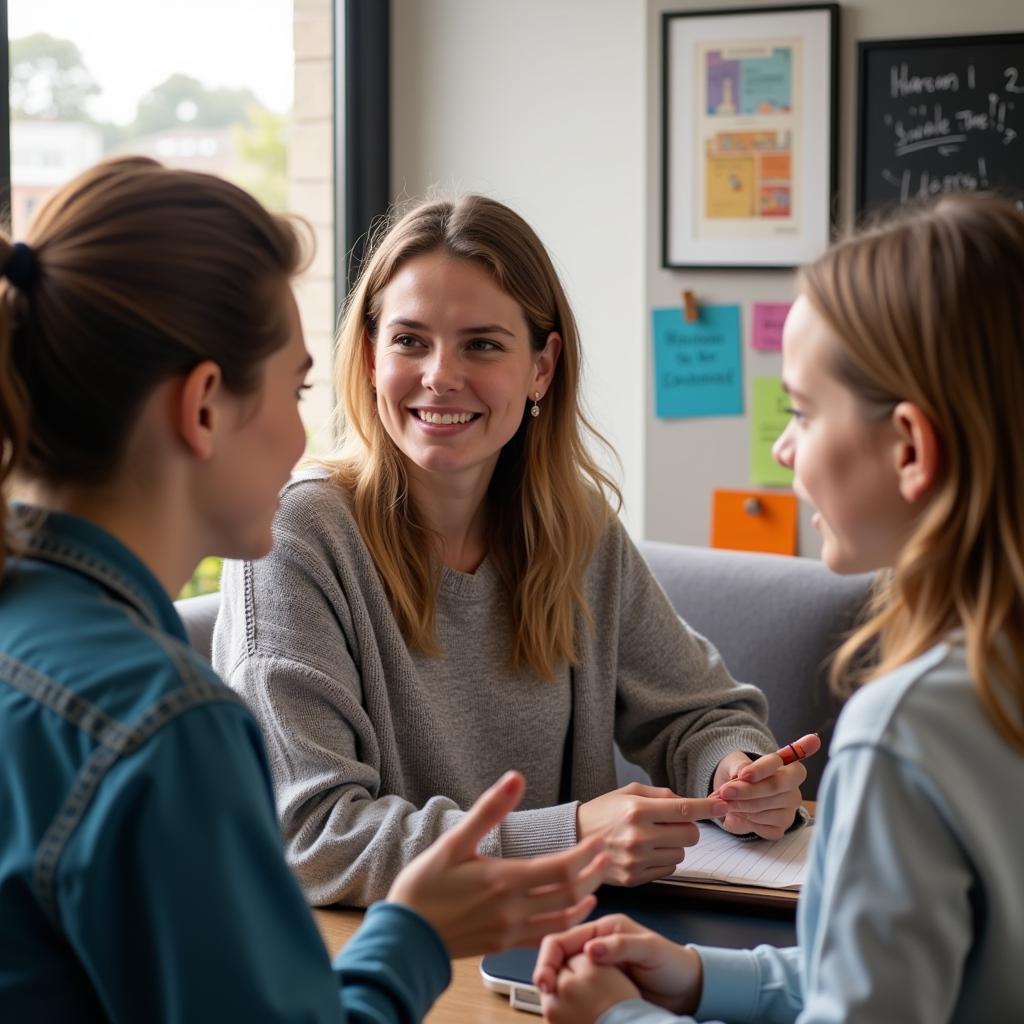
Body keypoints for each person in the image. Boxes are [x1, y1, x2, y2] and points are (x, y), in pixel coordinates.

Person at [0, 156, 612, 1022]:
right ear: (204, 406)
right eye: (295, 389)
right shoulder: (163, 726)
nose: (304, 437)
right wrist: (415, 932)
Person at [214, 194, 810, 909]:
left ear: (542, 368)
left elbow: (699, 712)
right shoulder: (294, 537)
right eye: (409, 341)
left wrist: (736, 773)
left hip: (554, 945)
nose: (440, 375)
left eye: (482, 344)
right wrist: (571, 835)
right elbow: (313, 838)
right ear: (371, 357)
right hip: (377, 959)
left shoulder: (575, 528)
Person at [533, 193, 1024, 1023]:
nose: (782, 446)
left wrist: (617, 1018)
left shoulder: (903, 733)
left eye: (800, 411)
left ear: (909, 448)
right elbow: (894, 978)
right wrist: (697, 976)